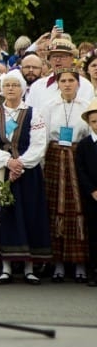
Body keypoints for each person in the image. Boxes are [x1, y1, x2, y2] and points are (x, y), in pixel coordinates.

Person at [0, 72, 50, 284]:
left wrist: (21, 164)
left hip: (28, 174)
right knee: (5, 216)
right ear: (1, 89)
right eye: (7, 85)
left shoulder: (33, 113)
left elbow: (39, 144)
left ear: (22, 89)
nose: (10, 89)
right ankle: (6, 267)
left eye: (15, 85)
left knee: (30, 215)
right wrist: (7, 161)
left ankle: (30, 267)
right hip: (2, 172)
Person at [38, 67, 90, 282]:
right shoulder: (49, 107)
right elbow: (43, 136)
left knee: (79, 208)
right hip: (55, 157)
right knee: (54, 208)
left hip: (78, 156)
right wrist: (40, 164)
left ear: (78, 84)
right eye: (63, 81)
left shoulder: (87, 107)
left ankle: (80, 264)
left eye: (71, 80)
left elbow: (89, 134)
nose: (67, 84)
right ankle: (58, 264)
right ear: (57, 84)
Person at [73, 99, 97, 286]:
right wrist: (92, 190)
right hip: (93, 195)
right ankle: (94, 270)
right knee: (94, 233)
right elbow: (80, 170)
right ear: (89, 123)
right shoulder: (84, 145)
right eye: (94, 121)